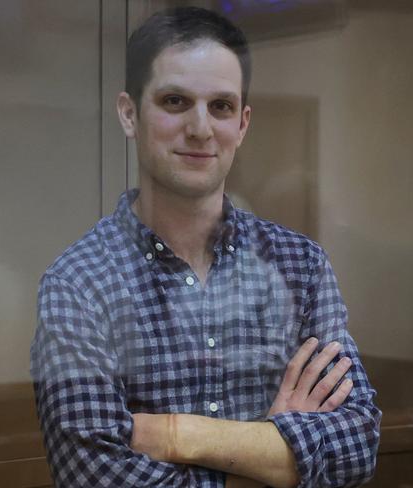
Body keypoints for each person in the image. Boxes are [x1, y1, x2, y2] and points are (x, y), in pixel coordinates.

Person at [31, 7, 381, 488]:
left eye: (221, 106)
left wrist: (179, 435)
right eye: (175, 101)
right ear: (129, 114)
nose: (200, 128)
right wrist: (269, 452)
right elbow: (94, 475)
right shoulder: (79, 284)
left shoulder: (300, 266)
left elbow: (358, 444)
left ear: (242, 123)